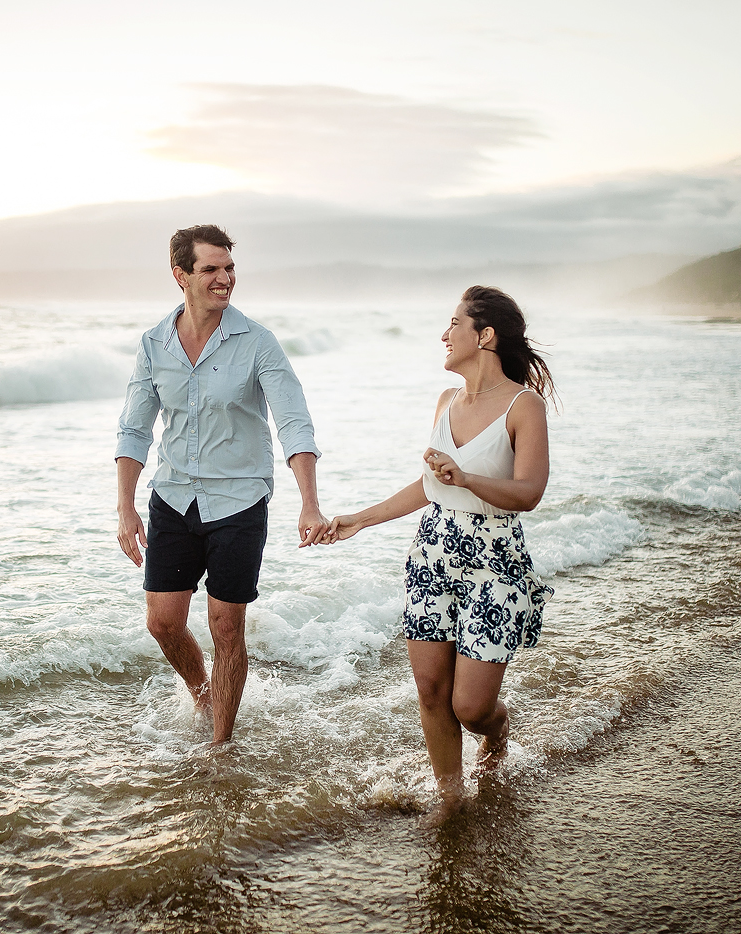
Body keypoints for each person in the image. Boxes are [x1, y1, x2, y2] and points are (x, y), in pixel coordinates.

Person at [319, 285, 555, 821]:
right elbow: (431, 486)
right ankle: (451, 797)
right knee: (430, 689)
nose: (444, 335)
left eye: (454, 324)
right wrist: (360, 518)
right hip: (433, 552)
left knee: (470, 706)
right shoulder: (446, 402)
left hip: (495, 560)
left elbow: (529, 493)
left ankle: (497, 729)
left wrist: (467, 476)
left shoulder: (524, 406)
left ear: (485, 335)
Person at [115, 224, 327, 744]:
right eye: (210, 269)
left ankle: (220, 747)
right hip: (173, 496)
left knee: (227, 629)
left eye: (229, 268)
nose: (224, 279)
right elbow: (134, 428)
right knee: (162, 623)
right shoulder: (154, 344)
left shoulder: (258, 343)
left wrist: (309, 503)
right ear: (180, 275)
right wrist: (125, 508)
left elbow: (293, 422)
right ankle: (202, 692)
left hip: (239, 500)